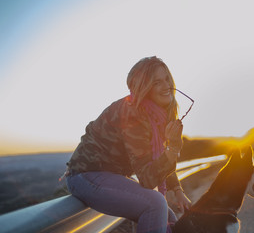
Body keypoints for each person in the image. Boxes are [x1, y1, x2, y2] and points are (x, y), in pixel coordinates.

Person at [64, 56, 192, 233]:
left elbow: (159, 156)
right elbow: (147, 178)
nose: (166, 86)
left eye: (167, 79)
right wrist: (174, 146)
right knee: (155, 205)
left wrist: (177, 190)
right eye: (156, 82)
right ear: (144, 87)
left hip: (111, 175)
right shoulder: (133, 112)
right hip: (86, 175)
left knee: (169, 219)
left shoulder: (157, 114)